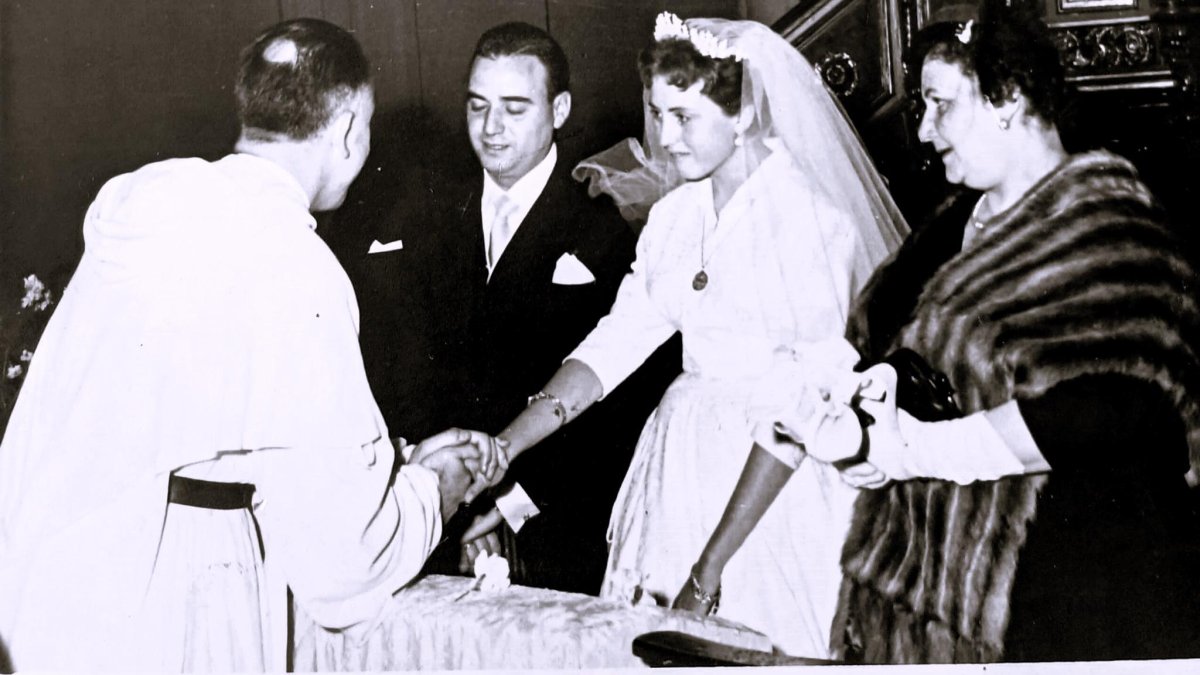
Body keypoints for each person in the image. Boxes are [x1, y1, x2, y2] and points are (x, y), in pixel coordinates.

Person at [0, 19, 502, 672]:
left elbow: (202, 429)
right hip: (181, 596)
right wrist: (431, 490)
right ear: (349, 127)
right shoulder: (295, 263)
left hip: (59, 588)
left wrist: (392, 462)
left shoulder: (143, 210)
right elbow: (343, 559)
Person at [483, 12, 908, 657]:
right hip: (681, 467)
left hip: (774, 486)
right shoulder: (676, 214)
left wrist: (708, 572)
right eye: (657, 114)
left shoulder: (809, 221)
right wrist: (504, 445)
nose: (664, 138)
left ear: (742, 116)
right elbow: (615, 343)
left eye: (685, 118)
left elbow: (804, 407)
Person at [815, 4, 1200, 663]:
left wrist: (914, 450)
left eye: (940, 104)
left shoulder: (1110, 226)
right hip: (919, 590)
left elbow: (1103, 413)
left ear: (1008, 98)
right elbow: (899, 350)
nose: (928, 132)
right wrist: (873, 407)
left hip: (1068, 592)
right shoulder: (949, 224)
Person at [342, 21, 678, 595]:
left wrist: (512, 501)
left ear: (561, 108)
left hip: (560, 525)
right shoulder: (423, 214)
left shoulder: (608, 224)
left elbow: (628, 397)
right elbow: (400, 368)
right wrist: (450, 498)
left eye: (515, 109)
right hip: (439, 523)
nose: (491, 130)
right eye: (478, 107)